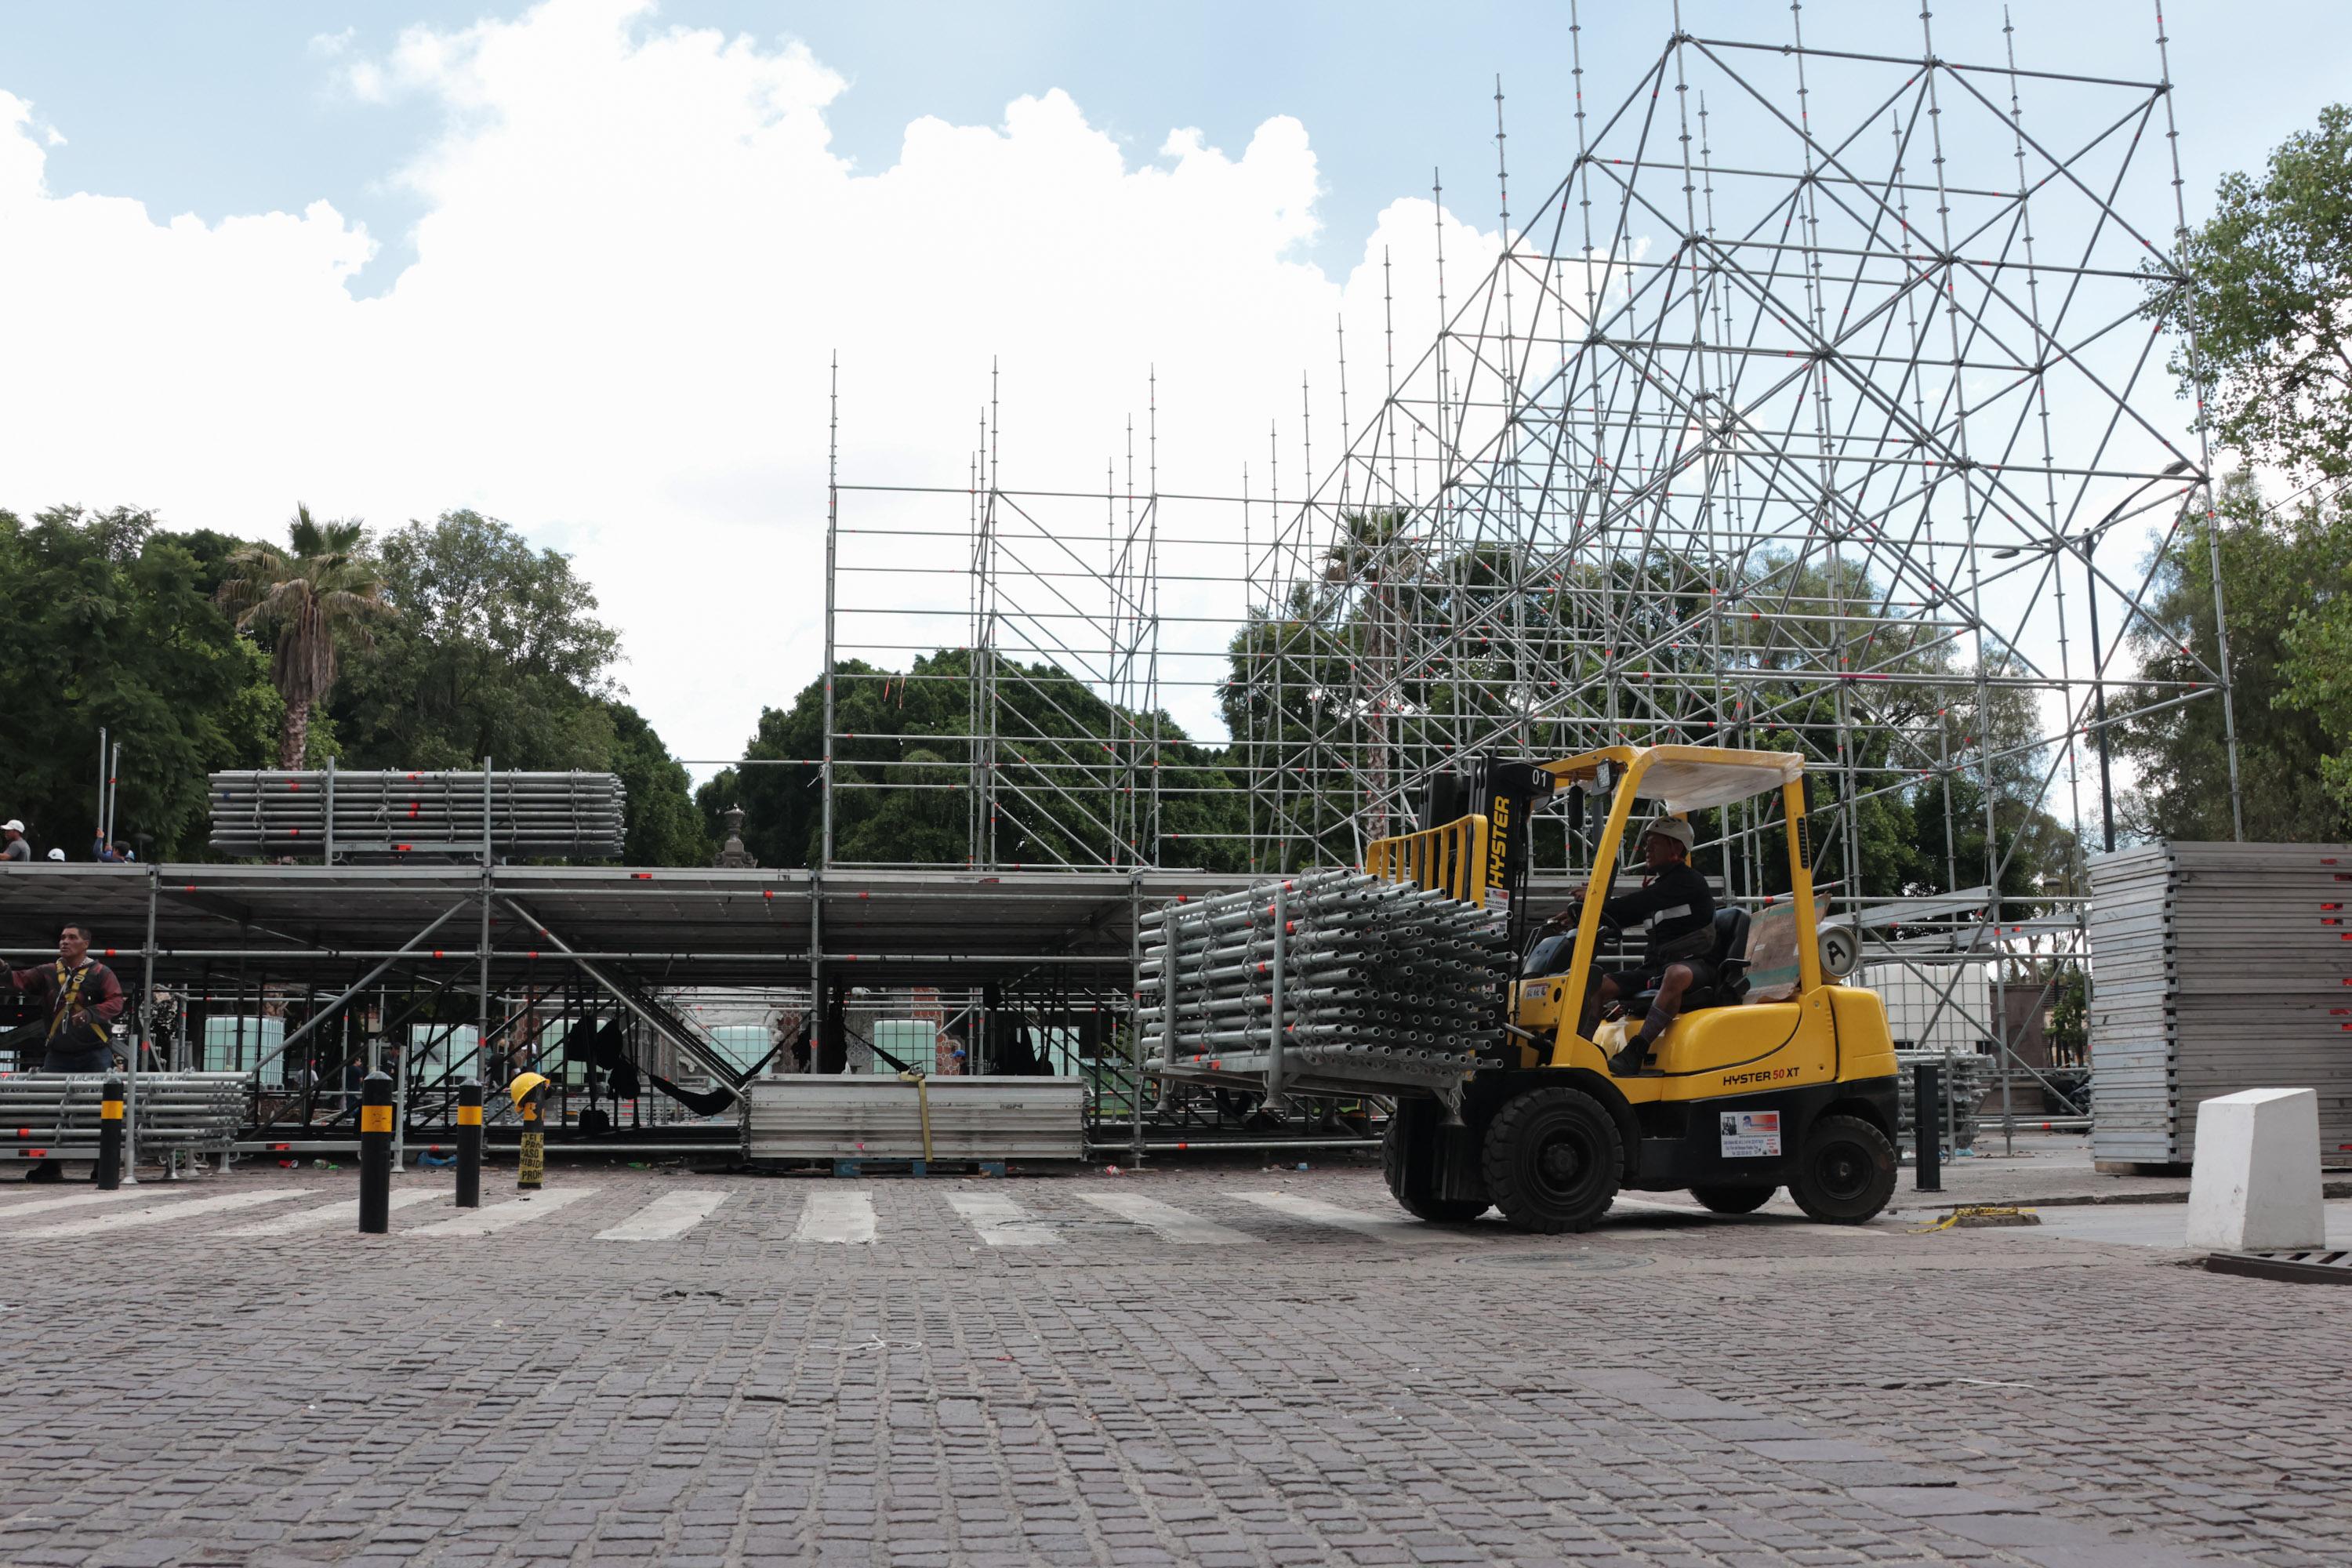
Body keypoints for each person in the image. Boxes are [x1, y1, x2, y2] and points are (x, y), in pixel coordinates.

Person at [1543, 817, 1715, 1076]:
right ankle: (1579, 1050)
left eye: (1654, 843)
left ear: (1675, 848)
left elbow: (1636, 904)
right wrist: (1578, 915)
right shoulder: (1661, 888)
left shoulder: (1688, 882)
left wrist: (1595, 900)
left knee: (1676, 974)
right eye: (1646, 843)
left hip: (1697, 964)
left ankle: (1637, 1050)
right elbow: (1624, 913)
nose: (1647, 849)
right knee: (1597, 984)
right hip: (1654, 969)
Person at [5, 924, 128, 1182]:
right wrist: (3, 970)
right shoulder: (48, 972)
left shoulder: (100, 973)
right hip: (59, 1054)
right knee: (52, 1110)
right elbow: (18, 980)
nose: (65, 942)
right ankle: (51, 1165)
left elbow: (116, 1001)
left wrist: (92, 1014)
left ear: (85, 944)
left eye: (72, 938)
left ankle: (102, 1164)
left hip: (95, 1052)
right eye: (62, 938)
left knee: (102, 1109)